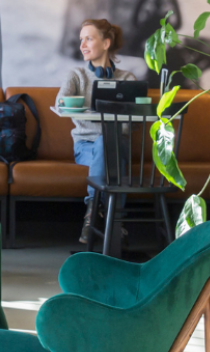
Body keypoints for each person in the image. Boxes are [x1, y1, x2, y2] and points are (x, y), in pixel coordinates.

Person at [56, 19, 136, 244]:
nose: (82, 44)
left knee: (108, 142)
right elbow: (60, 103)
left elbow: (132, 124)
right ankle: (114, 220)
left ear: (106, 43)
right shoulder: (77, 74)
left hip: (117, 145)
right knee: (104, 144)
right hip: (85, 146)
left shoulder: (127, 79)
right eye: (81, 39)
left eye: (88, 38)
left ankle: (92, 214)